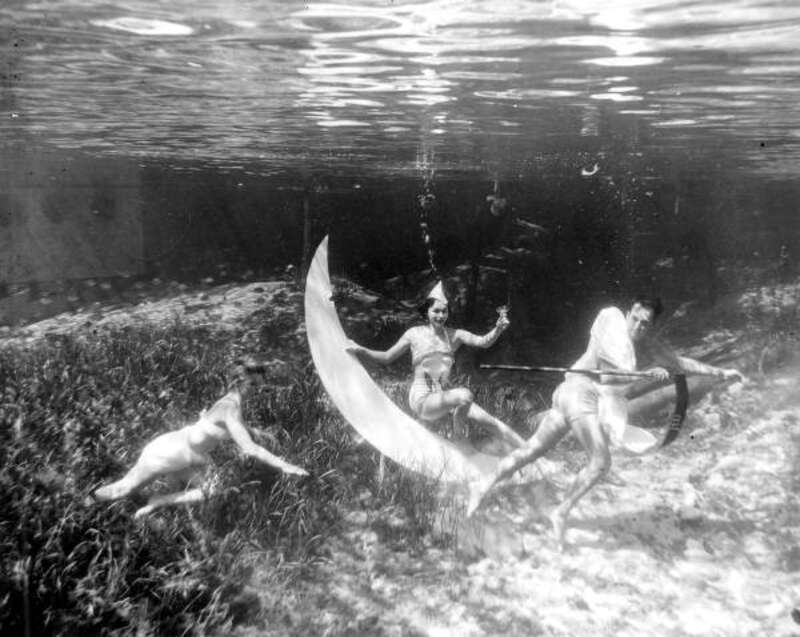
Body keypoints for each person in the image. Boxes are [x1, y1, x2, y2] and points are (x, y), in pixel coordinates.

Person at [466, 296, 745, 550]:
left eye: (645, 323)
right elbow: (611, 379)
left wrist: (720, 372)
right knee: (600, 462)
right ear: (628, 312)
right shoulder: (611, 327)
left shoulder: (648, 343)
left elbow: (679, 362)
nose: (638, 326)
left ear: (652, 325)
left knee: (532, 451)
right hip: (578, 393)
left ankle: (484, 483)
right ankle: (560, 512)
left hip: (579, 400)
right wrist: (648, 374)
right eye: (635, 318)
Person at [94, 357, 308, 518]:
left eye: (259, 385)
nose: (257, 390)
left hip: (182, 452)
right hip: (167, 453)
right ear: (238, 382)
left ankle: (159, 502)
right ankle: (85, 500)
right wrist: (284, 465)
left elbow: (232, 426)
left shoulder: (229, 403)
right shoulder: (230, 408)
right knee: (124, 489)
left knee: (212, 489)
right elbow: (250, 448)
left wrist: (257, 432)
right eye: (253, 385)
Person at [345, 281, 525, 448]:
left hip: (443, 398)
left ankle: (529, 450)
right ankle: (458, 439)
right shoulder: (414, 334)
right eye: (436, 311)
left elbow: (483, 342)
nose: (440, 315)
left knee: (489, 420)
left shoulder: (455, 335)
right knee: (465, 395)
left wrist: (498, 328)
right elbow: (386, 357)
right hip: (422, 400)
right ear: (427, 311)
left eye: (444, 311)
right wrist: (361, 350)